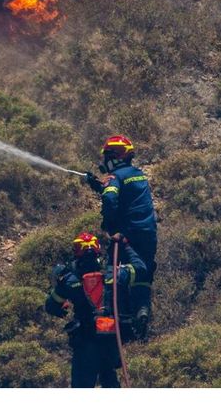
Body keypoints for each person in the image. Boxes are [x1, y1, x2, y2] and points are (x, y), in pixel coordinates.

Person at [44, 231, 147, 388]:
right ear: (98, 250)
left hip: (85, 345)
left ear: (76, 251)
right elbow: (140, 268)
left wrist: (63, 309)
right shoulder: (116, 274)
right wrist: (125, 245)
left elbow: (51, 306)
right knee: (110, 382)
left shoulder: (69, 280)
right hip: (111, 343)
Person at [94, 135, 156, 337]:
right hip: (148, 233)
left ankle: (110, 325)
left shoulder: (115, 177)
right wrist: (96, 185)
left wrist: (110, 227)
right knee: (145, 273)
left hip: (126, 234)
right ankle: (141, 311)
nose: (104, 161)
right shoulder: (138, 174)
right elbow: (126, 195)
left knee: (114, 273)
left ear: (115, 156)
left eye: (106, 156)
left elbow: (111, 199)